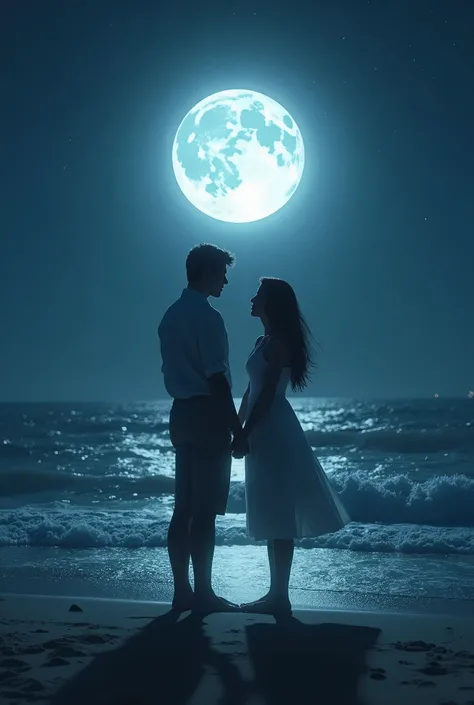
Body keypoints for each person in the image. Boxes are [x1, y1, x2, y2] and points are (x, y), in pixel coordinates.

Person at [232, 278, 351, 615]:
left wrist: (246, 431)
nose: (252, 299)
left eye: (259, 295)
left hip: (275, 430)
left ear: (271, 302)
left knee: (279, 512)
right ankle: (275, 594)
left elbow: (268, 394)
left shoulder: (279, 343)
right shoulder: (262, 340)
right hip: (261, 427)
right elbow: (249, 391)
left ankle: (279, 596)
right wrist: (236, 427)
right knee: (270, 509)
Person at [158, 243, 247, 615]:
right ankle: (204, 592)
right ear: (208, 272)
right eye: (222, 273)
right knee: (206, 510)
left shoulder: (170, 315)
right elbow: (217, 379)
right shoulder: (208, 318)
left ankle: (182, 591)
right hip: (208, 413)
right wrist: (235, 426)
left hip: (180, 412)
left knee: (183, 508)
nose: (226, 280)